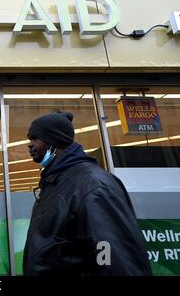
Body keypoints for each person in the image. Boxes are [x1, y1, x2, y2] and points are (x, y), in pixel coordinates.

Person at [23, 111, 152, 276]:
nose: (30, 144)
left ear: (53, 142)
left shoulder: (92, 185)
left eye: (35, 138)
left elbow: (110, 256)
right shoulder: (55, 182)